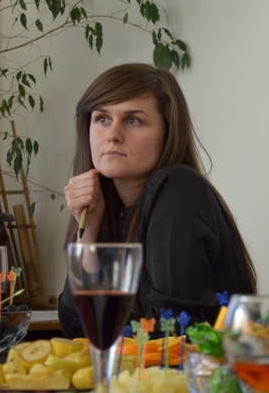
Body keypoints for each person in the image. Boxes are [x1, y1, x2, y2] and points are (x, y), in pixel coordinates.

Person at [58, 63, 257, 338]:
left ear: (167, 132)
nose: (112, 135)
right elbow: (76, 330)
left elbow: (172, 329)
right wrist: (88, 234)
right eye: (102, 119)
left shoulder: (178, 187)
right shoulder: (110, 208)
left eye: (133, 120)